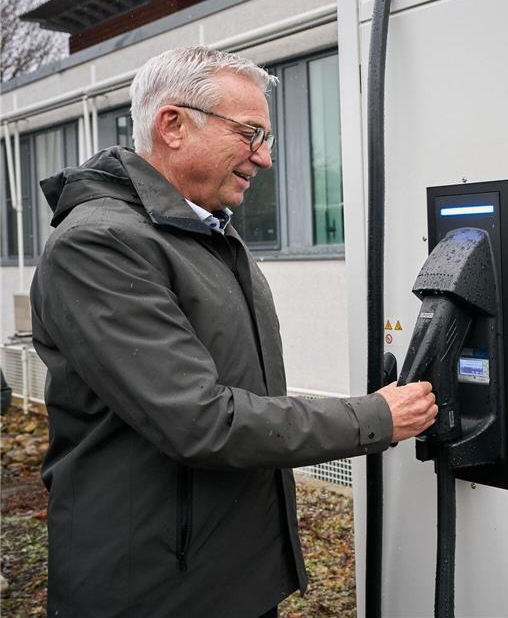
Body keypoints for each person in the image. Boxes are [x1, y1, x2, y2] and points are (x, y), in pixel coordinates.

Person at [30, 46, 436, 618]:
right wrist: (374, 417)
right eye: (251, 134)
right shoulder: (101, 245)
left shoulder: (202, 233)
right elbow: (203, 420)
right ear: (172, 124)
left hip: (225, 575)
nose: (265, 159)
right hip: (152, 590)